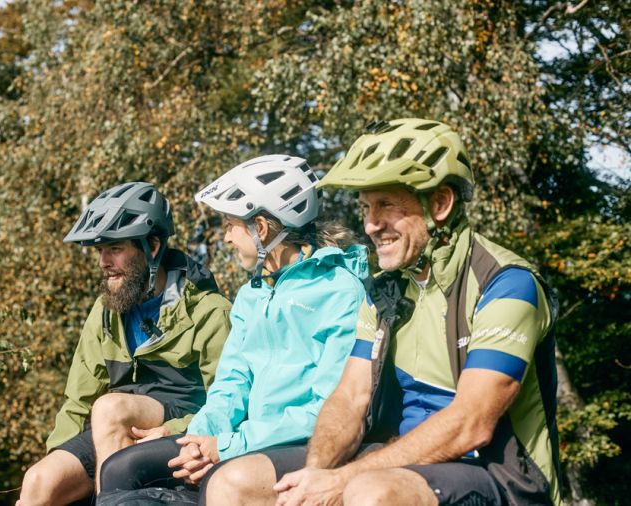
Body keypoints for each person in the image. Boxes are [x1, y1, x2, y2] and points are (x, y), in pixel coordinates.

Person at [206, 119, 562, 506]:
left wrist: (344, 478)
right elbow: (350, 397)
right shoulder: (384, 290)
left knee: (370, 493)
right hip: (396, 459)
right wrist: (316, 473)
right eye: (365, 208)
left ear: (440, 204)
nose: (372, 225)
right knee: (236, 482)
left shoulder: (507, 284)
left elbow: (470, 424)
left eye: (386, 206)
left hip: (500, 477)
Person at [96, 155, 369, 505]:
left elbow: (326, 408)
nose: (225, 238)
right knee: (121, 469)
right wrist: (198, 438)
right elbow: (231, 385)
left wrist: (226, 446)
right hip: (245, 439)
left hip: (305, 442)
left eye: (230, 225)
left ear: (261, 227)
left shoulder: (340, 291)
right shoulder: (252, 294)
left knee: (222, 480)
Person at [16, 182, 232, 505]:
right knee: (39, 483)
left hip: (179, 432)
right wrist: (58, 456)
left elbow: (231, 404)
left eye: (115, 249)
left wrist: (173, 428)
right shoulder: (105, 312)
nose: (104, 262)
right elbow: (77, 402)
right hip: (113, 430)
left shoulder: (209, 311)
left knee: (110, 408)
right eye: (100, 250)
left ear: (153, 246)